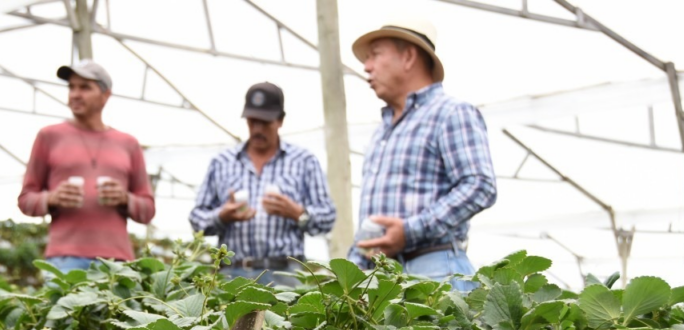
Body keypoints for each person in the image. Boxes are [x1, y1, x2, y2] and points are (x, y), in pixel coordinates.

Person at [348, 18, 496, 290]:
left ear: (408, 57)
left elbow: (480, 185)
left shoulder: (450, 113)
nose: (366, 67)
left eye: (375, 56)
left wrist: (409, 231)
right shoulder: (383, 131)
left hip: (434, 268)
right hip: (381, 275)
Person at [189, 82, 336, 286]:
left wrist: (297, 213)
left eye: (265, 122)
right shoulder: (222, 162)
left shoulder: (304, 161)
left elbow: (327, 217)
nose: (257, 129)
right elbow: (197, 219)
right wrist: (222, 216)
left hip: (285, 275)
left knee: (283, 319)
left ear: (280, 120)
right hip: (233, 273)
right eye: (252, 121)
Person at [17, 59, 155, 272]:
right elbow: (26, 199)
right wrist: (51, 198)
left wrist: (125, 199)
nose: (75, 94)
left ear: (105, 95)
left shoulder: (128, 144)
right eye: (71, 87)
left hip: (116, 261)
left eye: (85, 87)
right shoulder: (49, 136)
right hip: (64, 259)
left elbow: (148, 210)